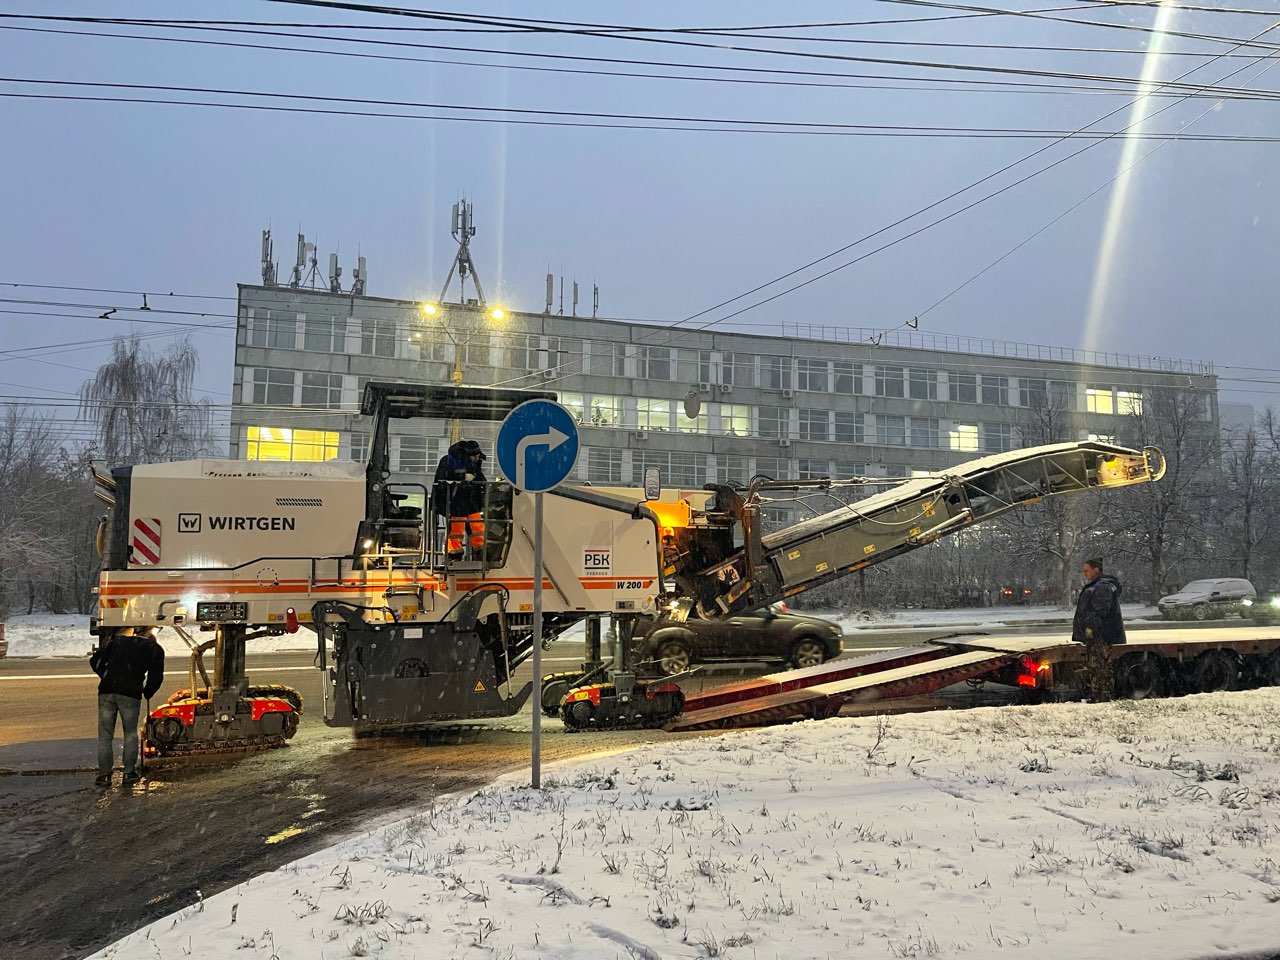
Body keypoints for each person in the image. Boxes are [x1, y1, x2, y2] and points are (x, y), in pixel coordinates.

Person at [90, 627, 164, 787]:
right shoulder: (154, 649)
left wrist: (106, 675)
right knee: (130, 733)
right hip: (130, 694)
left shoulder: (117, 642)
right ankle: (128, 773)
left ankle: (104, 775)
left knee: (105, 735)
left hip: (106, 691)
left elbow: (94, 661)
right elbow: (156, 676)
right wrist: (148, 691)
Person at [1071, 558, 1126, 702]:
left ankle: (1101, 698)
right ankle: (1097, 696)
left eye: (1087, 570)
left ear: (1096, 569)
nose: (1085, 574)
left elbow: (1099, 612)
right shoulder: (1097, 586)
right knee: (1096, 667)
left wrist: (1089, 629)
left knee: (1100, 668)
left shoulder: (1102, 587)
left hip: (1101, 636)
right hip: (1097, 636)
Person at [432, 439, 488, 557]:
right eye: (476, 457)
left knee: (476, 526)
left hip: (470, 502)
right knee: (457, 527)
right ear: (470, 456)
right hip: (455, 502)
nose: (478, 459)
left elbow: (480, 479)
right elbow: (444, 478)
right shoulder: (449, 461)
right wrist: (463, 476)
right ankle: (454, 553)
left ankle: (480, 551)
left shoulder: (471, 463)